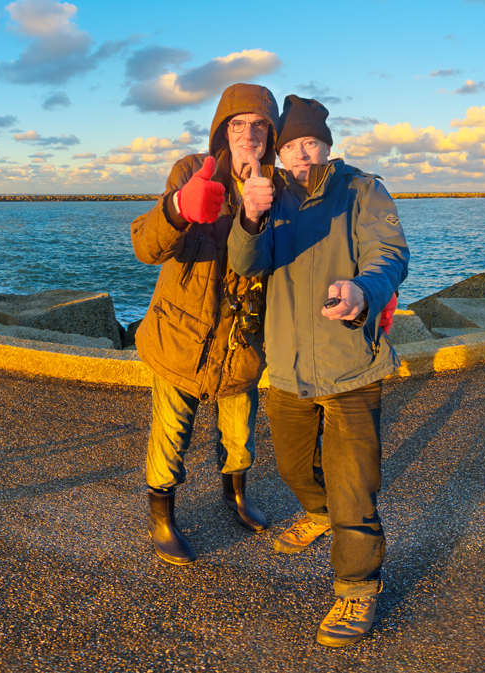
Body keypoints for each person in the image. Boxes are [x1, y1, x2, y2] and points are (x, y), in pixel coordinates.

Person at [228, 95, 409, 646]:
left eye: (312, 143)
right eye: (292, 147)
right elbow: (244, 263)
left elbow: (391, 254)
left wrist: (362, 289)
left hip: (351, 364)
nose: (303, 155)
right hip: (285, 367)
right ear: (279, 154)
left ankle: (357, 588)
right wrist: (251, 217)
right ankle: (317, 509)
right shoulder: (271, 196)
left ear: (327, 145)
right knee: (291, 466)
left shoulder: (362, 189)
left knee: (355, 485)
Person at [130, 83, 280, 566]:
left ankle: (235, 496)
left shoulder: (281, 186)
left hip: (241, 340)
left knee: (240, 436)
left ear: (271, 134)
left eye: (259, 125)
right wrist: (176, 210)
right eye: (237, 124)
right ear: (222, 129)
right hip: (181, 337)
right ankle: (162, 517)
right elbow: (146, 248)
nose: (248, 134)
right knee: (170, 436)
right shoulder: (193, 169)